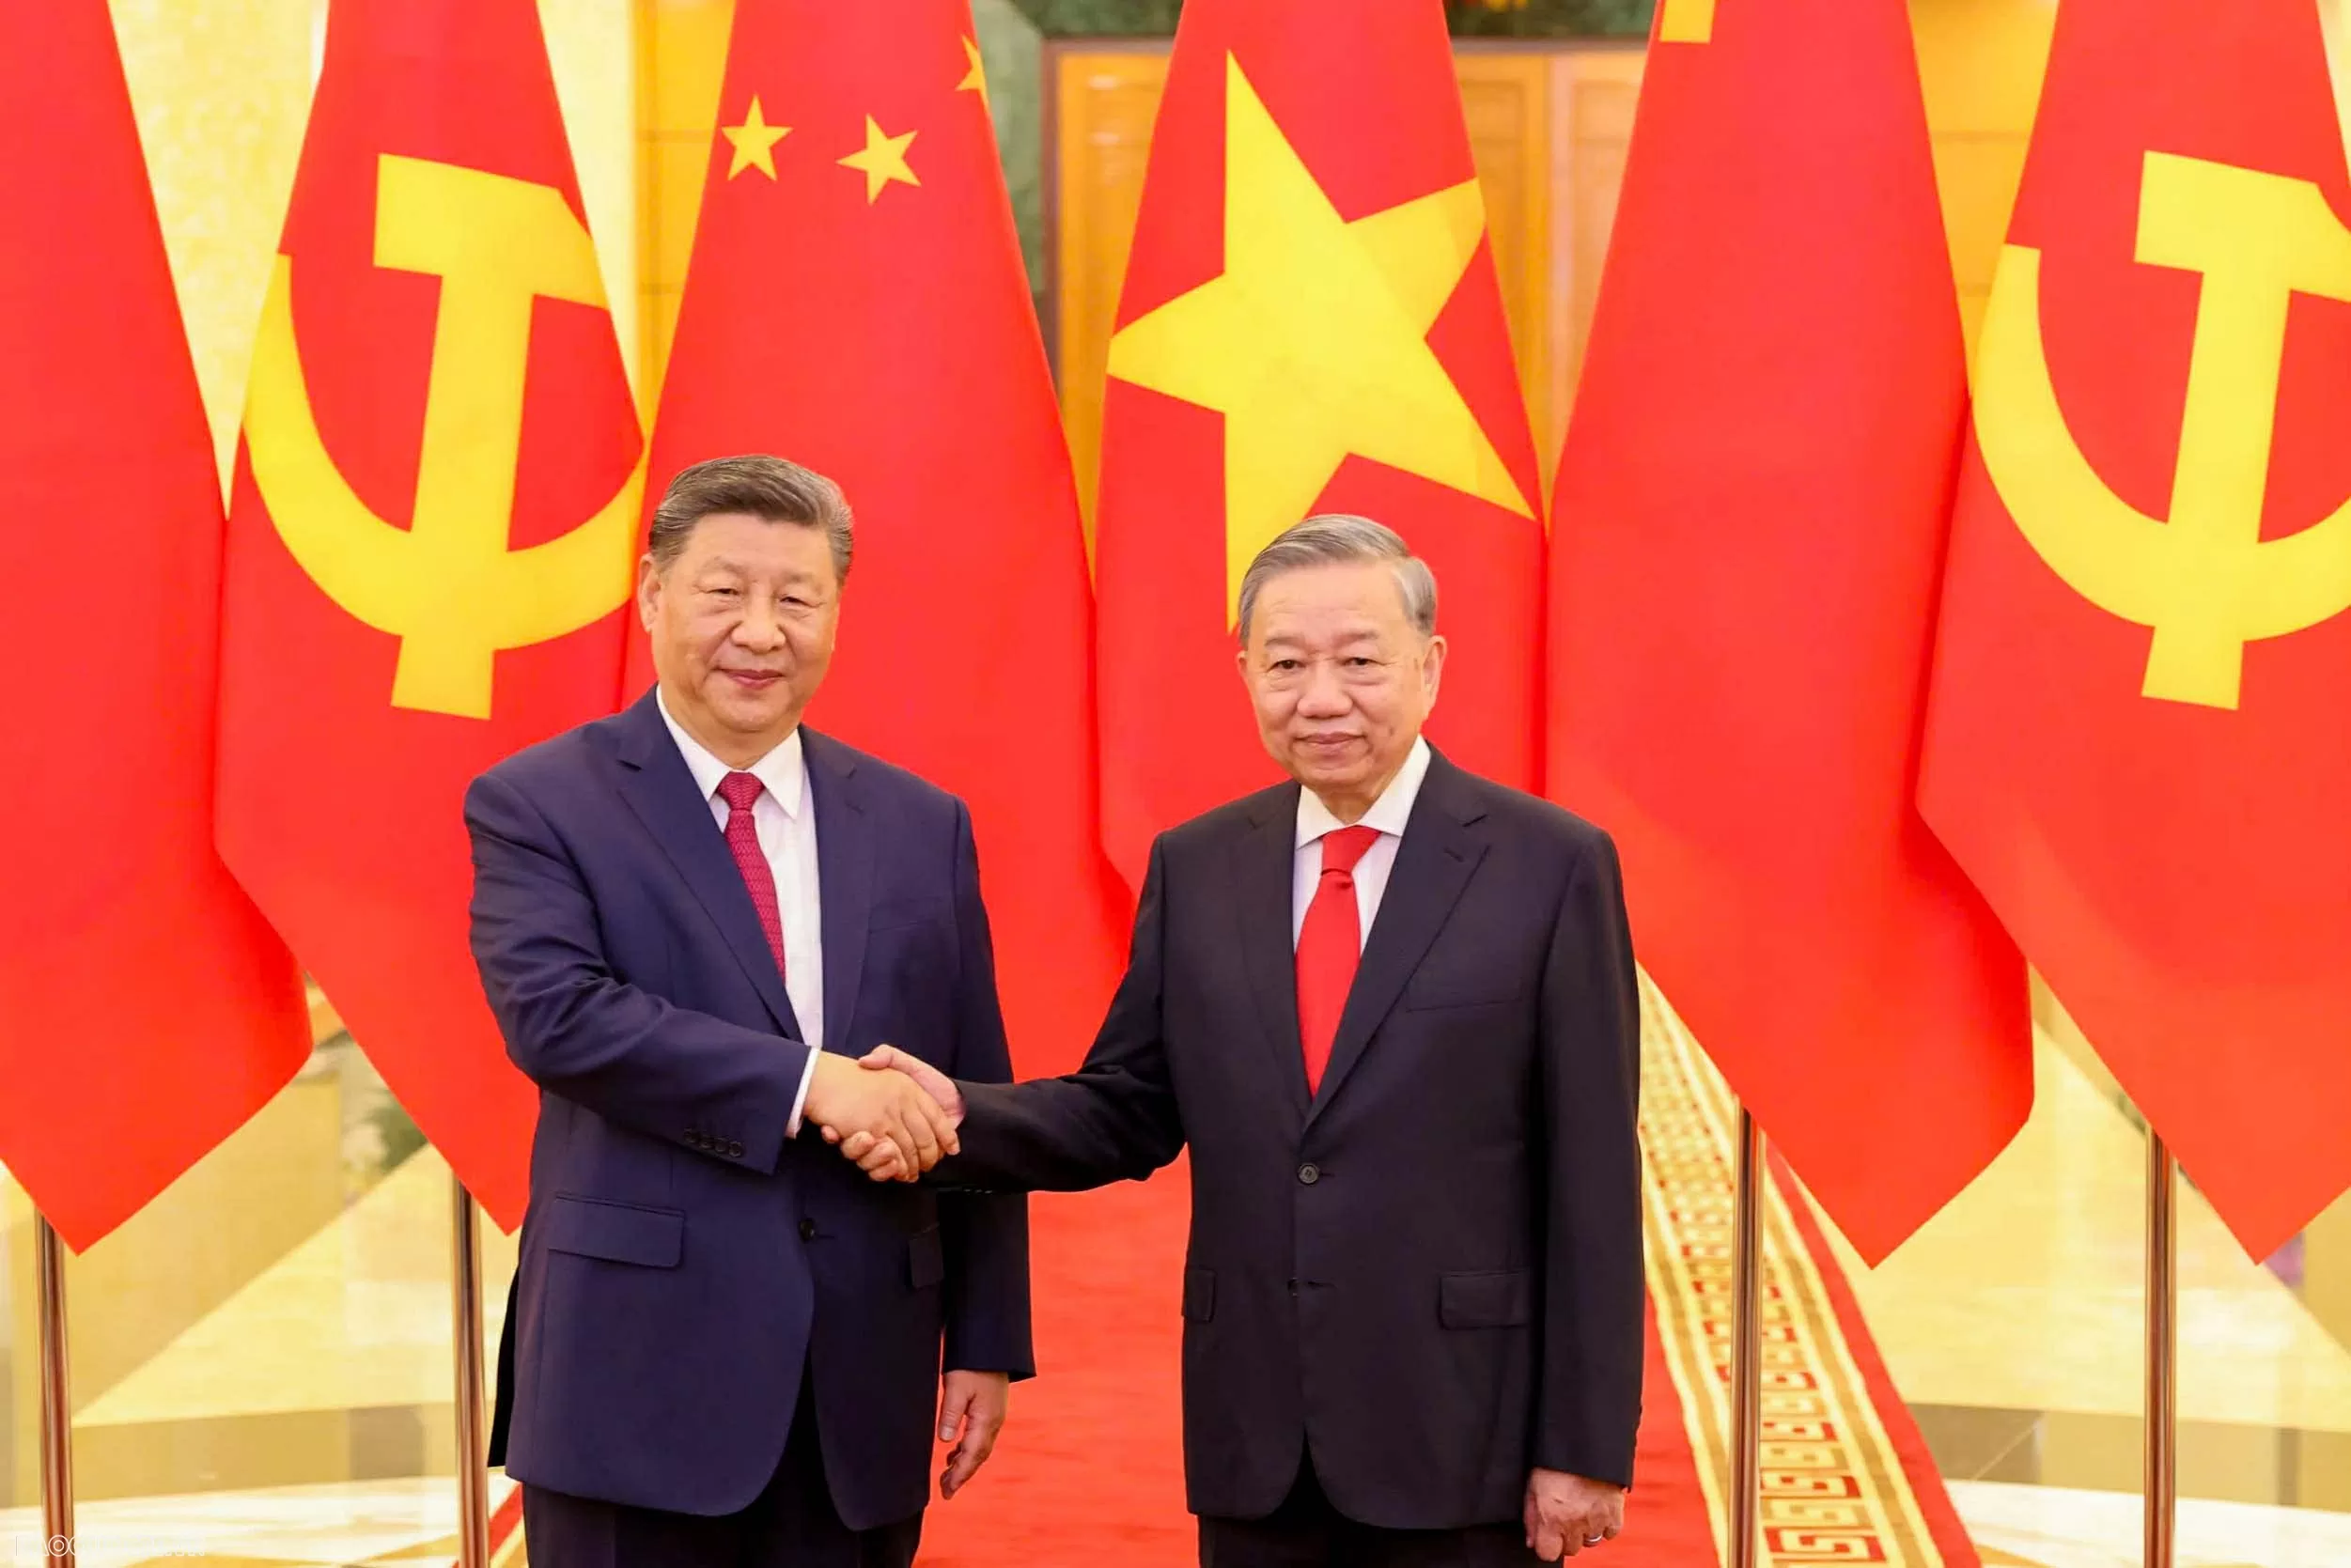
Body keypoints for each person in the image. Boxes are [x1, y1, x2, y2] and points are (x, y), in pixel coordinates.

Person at [844, 515, 1643, 1565]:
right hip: (1256, 1428)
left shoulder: (1550, 865)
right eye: (1286, 663)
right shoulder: (1202, 865)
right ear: (1247, 676)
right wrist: (961, 1112)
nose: (1322, 697)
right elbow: (1129, 1106)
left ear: (1430, 666)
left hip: (1463, 1426)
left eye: (1360, 662)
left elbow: (1593, 1177)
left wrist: (1584, 1444)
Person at [465, 455, 1030, 1568]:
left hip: (858, 1384)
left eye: (797, 598)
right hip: (631, 1383)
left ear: (837, 613)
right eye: (725, 592)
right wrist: (812, 1082)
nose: (760, 631)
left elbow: (969, 1089)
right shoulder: (542, 801)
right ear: (653, 594)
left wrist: (987, 1335)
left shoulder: (921, 823)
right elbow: (560, 1018)